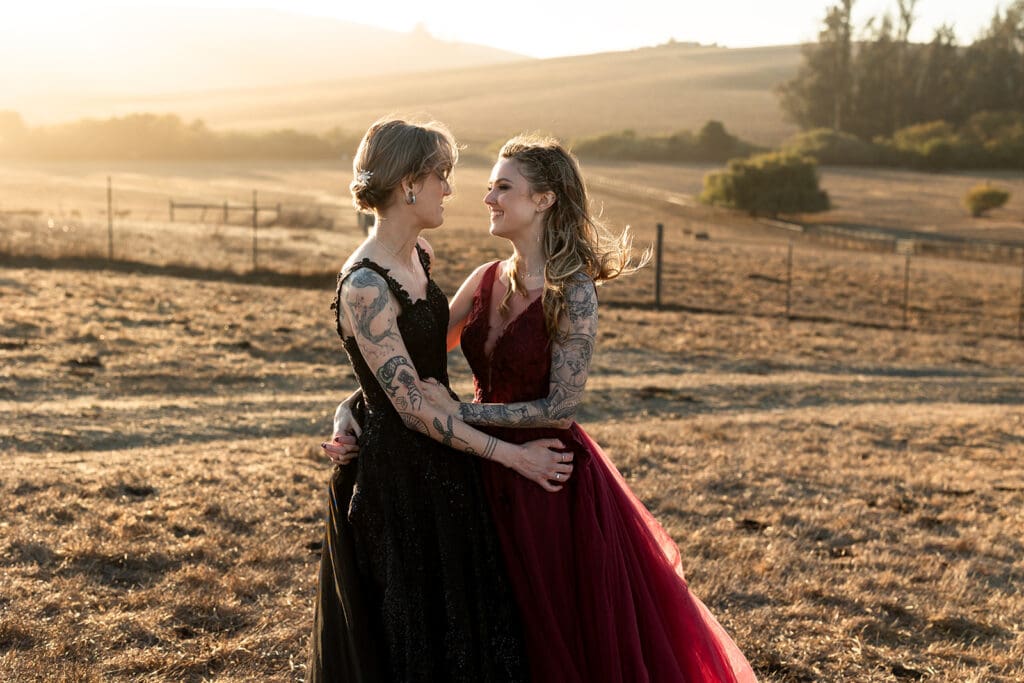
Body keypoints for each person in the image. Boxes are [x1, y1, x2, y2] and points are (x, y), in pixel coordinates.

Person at [327, 135, 758, 682]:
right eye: (489, 186)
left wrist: (463, 414)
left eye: (503, 187)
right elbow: (410, 362)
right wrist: (356, 405)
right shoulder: (483, 279)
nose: (486, 198)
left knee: (558, 628)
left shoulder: (573, 291)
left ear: (545, 199)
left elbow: (560, 408)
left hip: (546, 471)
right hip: (473, 465)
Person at [309, 119, 573, 683]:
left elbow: (408, 363)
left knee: (467, 630)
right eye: (441, 176)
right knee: (417, 637)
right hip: (400, 480)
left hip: (448, 464)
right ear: (409, 184)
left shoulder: (419, 255)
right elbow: (412, 406)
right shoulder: (365, 285)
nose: (450, 189)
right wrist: (517, 457)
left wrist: (351, 403)